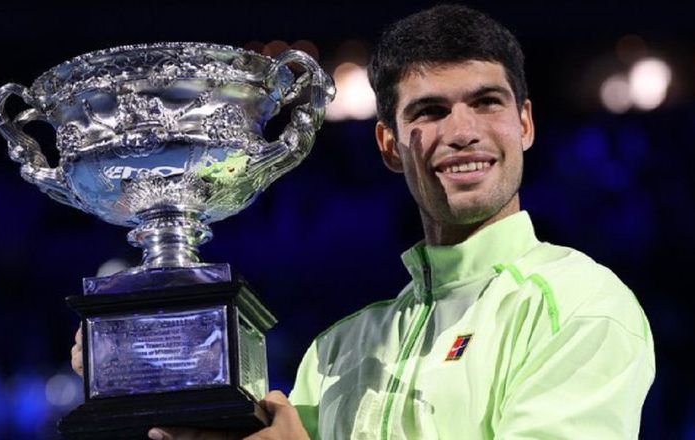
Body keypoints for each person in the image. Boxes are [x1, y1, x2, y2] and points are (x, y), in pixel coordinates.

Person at [72, 4, 655, 439]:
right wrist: (141, 359)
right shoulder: (337, 351)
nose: (462, 131)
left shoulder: (582, 306)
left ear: (524, 124)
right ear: (391, 144)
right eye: (429, 111)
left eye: (487, 102)